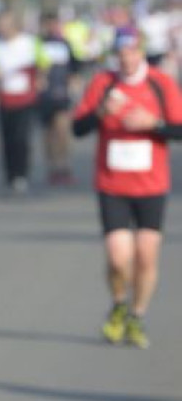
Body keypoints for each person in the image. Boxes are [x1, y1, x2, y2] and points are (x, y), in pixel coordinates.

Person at [72, 24, 182, 348]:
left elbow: (179, 129)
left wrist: (154, 124)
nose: (127, 59)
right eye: (121, 54)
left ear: (141, 51)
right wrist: (101, 112)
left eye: (132, 52)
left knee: (146, 257)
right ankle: (119, 303)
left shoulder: (160, 83)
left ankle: (137, 314)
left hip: (151, 186)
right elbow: (78, 128)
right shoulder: (103, 83)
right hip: (112, 184)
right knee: (119, 257)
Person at [0, 11, 48, 193]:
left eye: (6, 25)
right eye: (0, 25)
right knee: (7, 138)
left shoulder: (30, 42)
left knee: (22, 137)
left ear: (15, 25)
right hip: (4, 98)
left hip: (26, 99)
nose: (3, 28)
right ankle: (10, 174)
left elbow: (44, 62)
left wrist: (40, 77)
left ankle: (21, 174)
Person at [37, 11, 80, 186]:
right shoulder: (38, 44)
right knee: (48, 134)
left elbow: (75, 67)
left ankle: (64, 166)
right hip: (44, 96)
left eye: (55, 24)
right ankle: (52, 167)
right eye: (49, 24)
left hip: (62, 94)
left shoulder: (66, 44)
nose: (53, 27)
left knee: (63, 131)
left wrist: (74, 83)